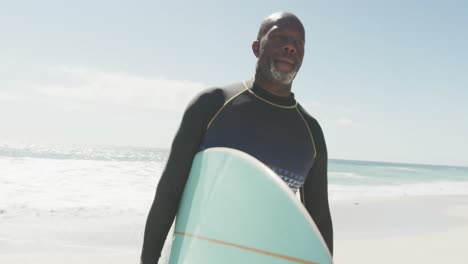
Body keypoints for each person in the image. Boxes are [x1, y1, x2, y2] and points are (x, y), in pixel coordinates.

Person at [141, 11, 333, 263]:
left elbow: (318, 220)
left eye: (299, 42)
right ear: (256, 47)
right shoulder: (212, 105)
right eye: (279, 37)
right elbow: (170, 191)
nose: (290, 46)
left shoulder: (310, 132)